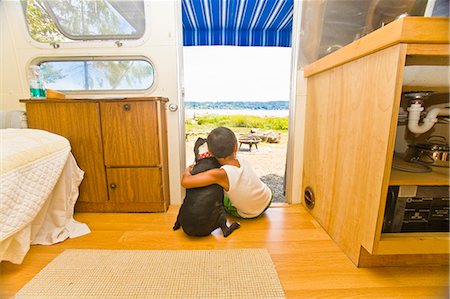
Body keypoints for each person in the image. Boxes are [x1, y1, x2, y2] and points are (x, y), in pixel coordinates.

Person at [182, 126, 272, 218]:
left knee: (223, 197)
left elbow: (185, 182)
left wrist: (188, 170)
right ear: (236, 147)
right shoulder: (243, 160)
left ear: (210, 152)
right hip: (267, 199)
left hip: (249, 213)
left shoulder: (220, 174)